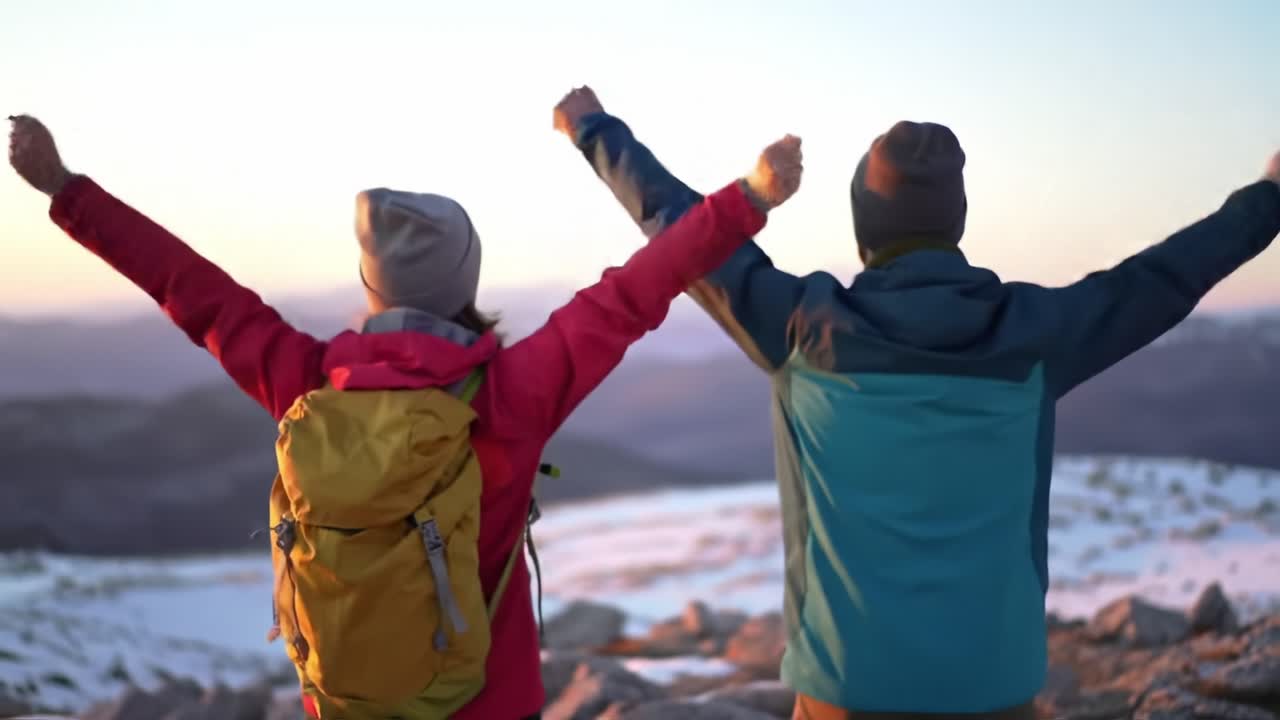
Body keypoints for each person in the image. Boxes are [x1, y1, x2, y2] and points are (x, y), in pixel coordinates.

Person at [6, 113, 803, 720]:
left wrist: (66, 190)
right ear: (466, 283)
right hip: (489, 699)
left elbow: (188, 287)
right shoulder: (510, 394)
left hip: (347, 701)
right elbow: (634, 291)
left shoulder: (306, 382)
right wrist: (747, 199)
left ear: (370, 284)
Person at [553, 87, 1280, 720]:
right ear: (954, 222)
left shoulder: (801, 330)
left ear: (865, 226)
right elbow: (1163, 277)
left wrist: (596, 131)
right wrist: (1268, 199)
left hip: (845, 690)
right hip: (993, 691)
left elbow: (681, 229)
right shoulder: (1036, 336)